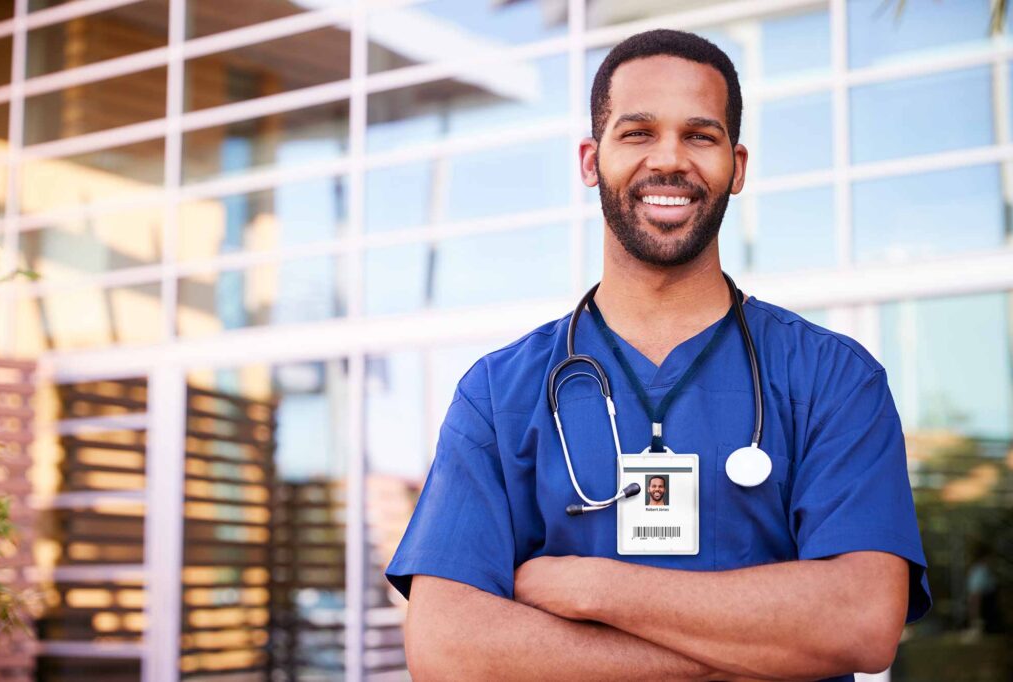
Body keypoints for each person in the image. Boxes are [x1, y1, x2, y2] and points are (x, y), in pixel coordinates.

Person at [386, 29, 931, 682]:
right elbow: (448, 651)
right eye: (638, 132)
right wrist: (746, 654)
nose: (669, 159)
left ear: (738, 166)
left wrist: (596, 588)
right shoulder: (499, 393)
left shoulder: (835, 380)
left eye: (700, 135)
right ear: (591, 160)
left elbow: (862, 621)